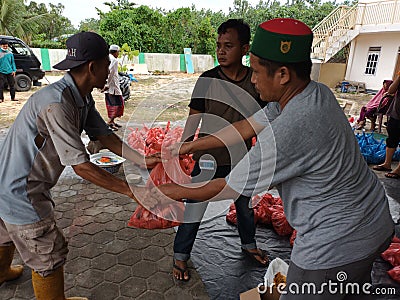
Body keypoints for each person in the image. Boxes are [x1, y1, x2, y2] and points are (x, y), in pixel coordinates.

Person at [150, 18, 394, 299]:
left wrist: (162, 191)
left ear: (282, 75)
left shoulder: (290, 128)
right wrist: (183, 148)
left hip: (336, 242)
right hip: (375, 220)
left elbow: (226, 187)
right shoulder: (314, 94)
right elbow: (244, 127)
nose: (252, 80)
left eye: (255, 72)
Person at [0, 32, 160, 300]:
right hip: (21, 189)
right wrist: (131, 190)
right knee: (47, 251)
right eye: (107, 64)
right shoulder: (58, 103)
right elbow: (81, 167)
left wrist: (143, 159)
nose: (110, 70)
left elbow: (105, 136)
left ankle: (1, 273)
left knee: (4, 231)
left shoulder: (80, 97)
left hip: (5, 180)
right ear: (92, 67)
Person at [171, 19, 270, 282]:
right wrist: (183, 145)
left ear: (245, 49)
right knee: (195, 205)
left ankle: (248, 245)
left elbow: (263, 119)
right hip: (207, 158)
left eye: (229, 45)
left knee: (245, 206)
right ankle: (180, 255)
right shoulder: (208, 79)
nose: (221, 51)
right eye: (218, 46)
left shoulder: (255, 81)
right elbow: (195, 115)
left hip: (242, 157)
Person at [373, 72, 400, 179]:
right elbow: (391, 90)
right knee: (391, 138)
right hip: (396, 112)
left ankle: (398, 169)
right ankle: (387, 163)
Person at [104, 44, 124, 131]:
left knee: (113, 104)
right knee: (116, 104)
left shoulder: (107, 58)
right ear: (115, 52)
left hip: (110, 86)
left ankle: (112, 122)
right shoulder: (114, 60)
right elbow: (110, 72)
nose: (118, 54)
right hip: (112, 87)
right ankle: (109, 122)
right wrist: (107, 85)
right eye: (118, 52)